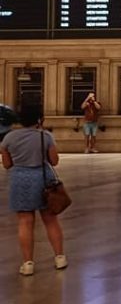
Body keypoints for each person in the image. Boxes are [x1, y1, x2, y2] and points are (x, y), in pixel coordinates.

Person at [1, 105, 67, 276]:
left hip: (20, 179)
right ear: (39, 119)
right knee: (50, 220)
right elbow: (54, 161)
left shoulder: (9, 138)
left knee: (25, 221)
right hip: (43, 179)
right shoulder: (45, 136)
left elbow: (7, 164)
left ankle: (28, 263)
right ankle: (59, 257)